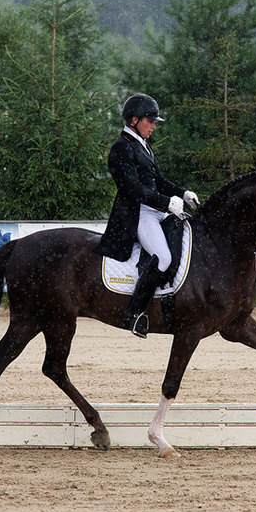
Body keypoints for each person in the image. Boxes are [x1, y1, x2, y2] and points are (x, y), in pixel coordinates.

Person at [95, 93, 200, 338]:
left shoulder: (142, 144)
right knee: (163, 258)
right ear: (134, 120)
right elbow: (132, 189)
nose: (154, 126)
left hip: (155, 210)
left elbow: (158, 181)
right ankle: (136, 314)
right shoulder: (121, 148)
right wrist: (166, 203)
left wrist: (182, 194)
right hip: (138, 214)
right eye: (150, 121)